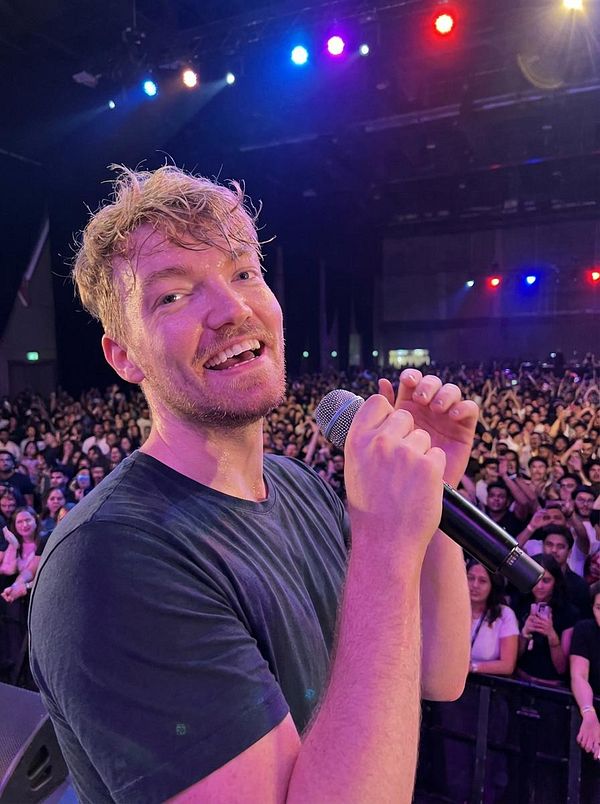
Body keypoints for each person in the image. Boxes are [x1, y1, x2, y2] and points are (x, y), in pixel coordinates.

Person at [29, 165, 477, 803]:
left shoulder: (296, 485)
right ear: (123, 355)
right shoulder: (110, 562)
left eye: (243, 273)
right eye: (175, 296)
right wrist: (382, 543)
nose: (232, 310)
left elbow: (436, 671)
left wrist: (433, 505)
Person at [516, 554, 577, 686]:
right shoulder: (519, 603)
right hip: (520, 681)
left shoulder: (568, 612)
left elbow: (562, 669)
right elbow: (513, 659)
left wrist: (552, 636)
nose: (539, 586)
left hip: (551, 688)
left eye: (546, 581)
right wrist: (524, 634)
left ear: (556, 582)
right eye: (535, 579)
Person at [466, 560, 518, 676]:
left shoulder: (505, 615)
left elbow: (507, 666)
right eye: (470, 578)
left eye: (482, 581)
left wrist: (472, 668)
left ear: (492, 586)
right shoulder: (450, 608)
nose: (475, 585)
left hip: (484, 686)